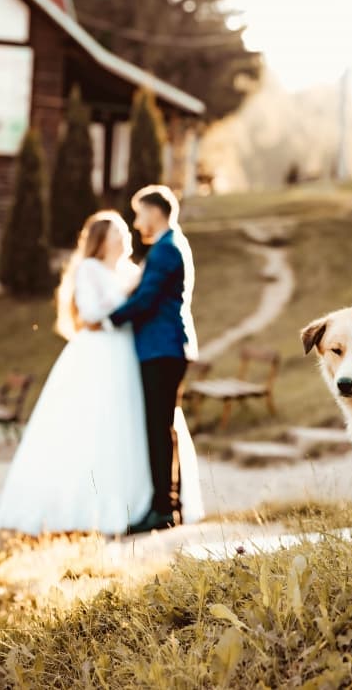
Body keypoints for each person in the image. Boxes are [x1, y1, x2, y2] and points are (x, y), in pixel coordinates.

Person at [0, 211, 154, 535]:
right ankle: (80, 505)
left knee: (123, 422)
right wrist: (125, 298)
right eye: (118, 232)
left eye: (125, 230)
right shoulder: (89, 269)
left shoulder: (129, 270)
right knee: (88, 422)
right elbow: (90, 312)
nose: (125, 236)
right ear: (103, 240)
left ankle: (131, 499)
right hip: (97, 354)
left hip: (125, 351)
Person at [102, 185, 201, 534]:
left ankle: (163, 509)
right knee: (163, 427)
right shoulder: (170, 245)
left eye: (139, 212)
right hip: (164, 348)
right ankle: (171, 504)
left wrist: (105, 320)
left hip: (162, 348)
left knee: (158, 429)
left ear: (156, 212)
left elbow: (145, 301)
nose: (136, 220)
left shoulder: (166, 249)